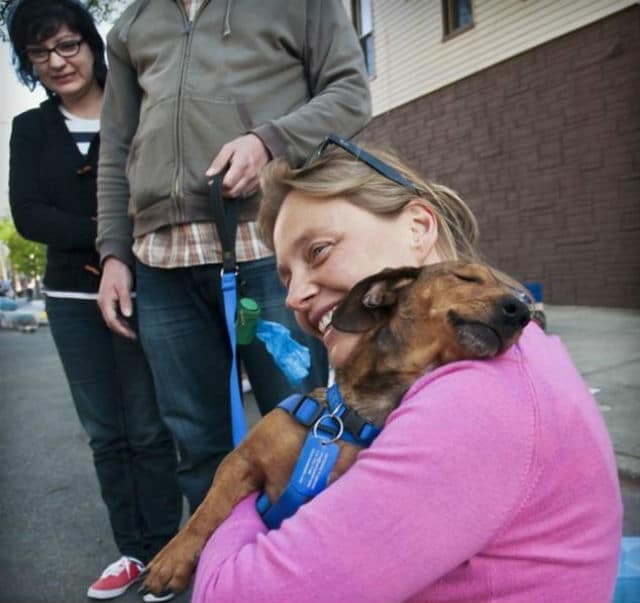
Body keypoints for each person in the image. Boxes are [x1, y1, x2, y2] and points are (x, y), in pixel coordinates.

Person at [190, 139, 623, 602]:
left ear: (418, 228)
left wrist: (245, 481)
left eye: (317, 251)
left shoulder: (473, 403)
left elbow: (229, 595)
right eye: (285, 277)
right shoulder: (500, 359)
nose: (295, 296)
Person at [95, 0, 371, 513]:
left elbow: (352, 95)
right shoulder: (131, 25)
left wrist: (270, 142)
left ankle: (316, 574)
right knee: (198, 446)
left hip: (268, 249)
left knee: (300, 427)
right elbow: (116, 147)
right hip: (159, 262)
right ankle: (229, 575)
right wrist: (113, 252)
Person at [6, 1, 181, 601]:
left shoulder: (136, 107)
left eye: (67, 45)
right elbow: (29, 216)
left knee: (150, 427)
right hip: (70, 298)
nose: (57, 62)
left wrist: (119, 245)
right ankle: (132, 550)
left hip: (146, 286)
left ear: (90, 43)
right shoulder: (29, 129)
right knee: (106, 432)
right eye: (39, 53)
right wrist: (110, 231)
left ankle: (166, 551)